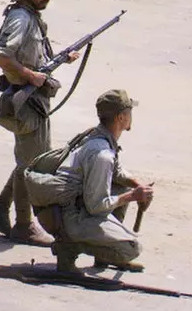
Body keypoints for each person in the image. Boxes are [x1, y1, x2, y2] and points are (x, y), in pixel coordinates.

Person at [0, 0, 76, 246]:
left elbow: (31, 58)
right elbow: (0, 56)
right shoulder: (21, 18)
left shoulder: (31, 16)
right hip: (23, 102)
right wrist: (29, 75)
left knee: (32, 159)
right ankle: (23, 225)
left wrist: (56, 61)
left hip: (34, 101)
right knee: (31, 165)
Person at [49, 89, 154, 271]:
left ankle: (102, 256)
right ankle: (68, 247)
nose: (132, 116)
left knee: (120, 188)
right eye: (129, 111)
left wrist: (137, 185)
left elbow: (116, 172)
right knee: (130, 249)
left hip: (70, 206)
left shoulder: (98, 136)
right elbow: (96, 205)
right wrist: (132, 196)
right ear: (121, 117)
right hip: (72, 217)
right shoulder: (102, 154)